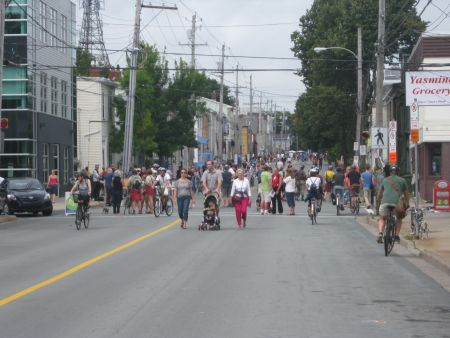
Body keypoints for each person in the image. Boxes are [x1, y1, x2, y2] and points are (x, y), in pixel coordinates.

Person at [376, 166, 409, 243]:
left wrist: (378, 200)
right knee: (399, 218)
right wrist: (407, 203)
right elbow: (406, 195)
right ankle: (397, 236)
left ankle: (380, 234)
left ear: (390, 172)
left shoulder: (385, 180)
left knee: (382, 218)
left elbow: (380, 193)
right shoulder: (403, 180)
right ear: (398, 172)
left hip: (385, 202)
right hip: (397, 204)